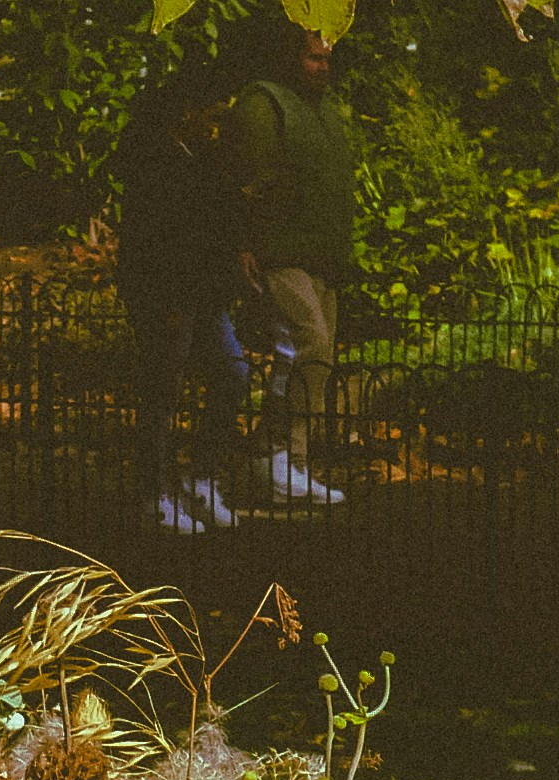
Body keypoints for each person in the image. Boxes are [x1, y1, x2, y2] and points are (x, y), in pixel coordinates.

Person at [113, 60, 247, 538]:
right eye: (212, 109)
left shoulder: (198, 157)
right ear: (188, 110)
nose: (218, 118)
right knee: (162, 393)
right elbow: (153, 238)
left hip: (203, 293)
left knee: (232, 374)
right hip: (168, 294)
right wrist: (166, 298)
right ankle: (156, 494)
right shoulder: (157, 162)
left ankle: (200, 478)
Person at [225, 20, 355, 507]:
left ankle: (293, 465)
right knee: (307, 346)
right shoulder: (265, 102)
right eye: (313, 58)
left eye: (327, 59)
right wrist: (245, 242)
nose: (323, 67)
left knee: (316, 360)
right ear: (288, 58)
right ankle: (274, 457)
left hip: (320, 254)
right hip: (278, 252)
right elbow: (245, 179)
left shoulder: (323, 108)